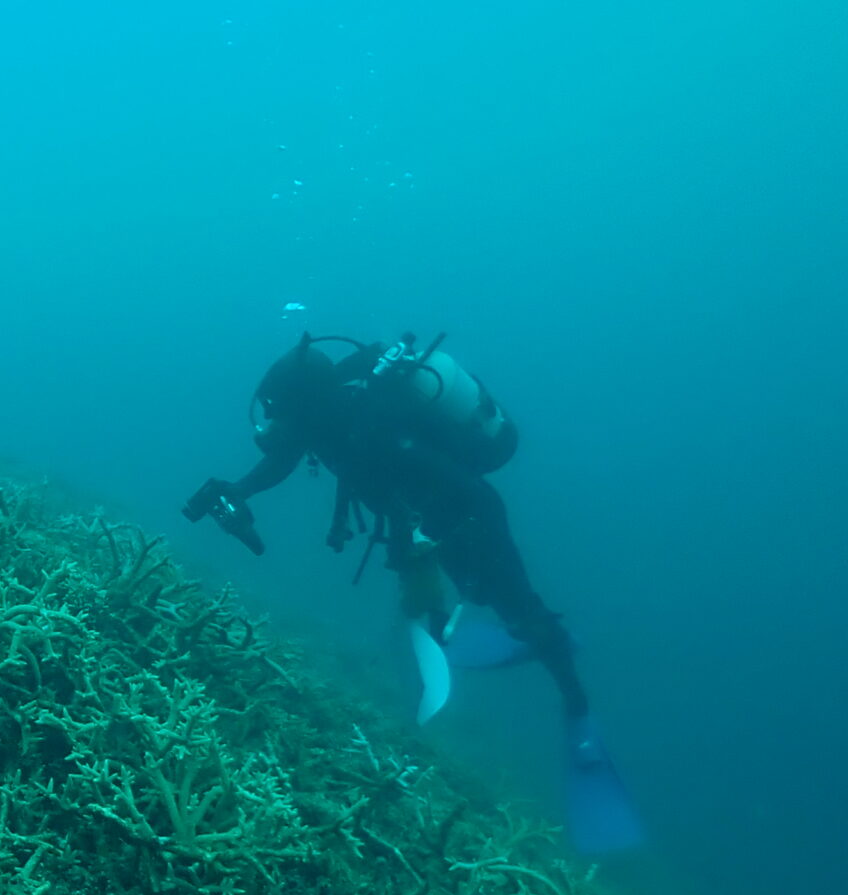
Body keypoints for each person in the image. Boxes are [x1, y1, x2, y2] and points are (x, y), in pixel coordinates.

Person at [184, 331, 643, 854]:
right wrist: (236, 491)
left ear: (305, 404)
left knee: (518, 610)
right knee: (456, 606)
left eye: (283, 413)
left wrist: (426, 539)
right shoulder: (329, 423)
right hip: (431, 526)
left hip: (467, 523)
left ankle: (575, 703)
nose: (277, 427)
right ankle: (482, 640)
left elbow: (469, 493)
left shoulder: (368, 426)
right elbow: (283, 459)